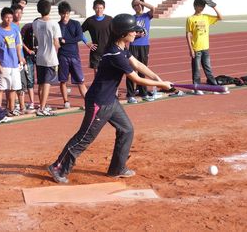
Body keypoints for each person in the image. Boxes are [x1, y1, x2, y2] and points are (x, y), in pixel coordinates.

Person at [47, 14, 172, 183]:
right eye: (132, 31)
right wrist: (162, 85)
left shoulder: (121, 49)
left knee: (126, 129)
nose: (135, 33)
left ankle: (117, 168)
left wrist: (158, 79)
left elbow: (138, 65)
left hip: (110, 101)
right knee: (85, 138)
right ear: (122, 34)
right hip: (98, 102)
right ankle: (58, 167)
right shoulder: (115, 55)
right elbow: (136, 78)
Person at [186, 0, 223, 94]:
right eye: (200, 5)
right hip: (196, 49)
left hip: (205, 48)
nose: (202, 7)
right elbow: (188, 34)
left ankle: (214, 87)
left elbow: (220, 17)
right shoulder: (190, 19)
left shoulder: (206, 17)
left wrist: (214, 6)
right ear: (195, 6)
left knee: (208, 69)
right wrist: (191, 49)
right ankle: (197, 88)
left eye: (203, 6)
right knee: (196, 71)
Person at [0, 7, 24, 117]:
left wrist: (20, 59)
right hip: (4, 63)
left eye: (10, 17)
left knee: (13, 88)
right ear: (2, 18)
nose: (9, 20)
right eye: (6, 17)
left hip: (14, 64)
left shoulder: (15, 30)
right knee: (1, 88)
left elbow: (18, 46)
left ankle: (11, 109)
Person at [57, 1, 88, 109]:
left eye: (67, 13)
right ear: (59, 14)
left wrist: (66, 41)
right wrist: (62, 41)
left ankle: (87, 101)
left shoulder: (75, 24)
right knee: (63, 80)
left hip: (74, 55)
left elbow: (79, 37)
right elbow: (57, 40)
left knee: (80, 80)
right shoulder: (57, 25)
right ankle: (66, 102)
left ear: (69, 13)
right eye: (63, 13)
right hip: (62, 56)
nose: (65, 16)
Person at [32, 0, 61, 116]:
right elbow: (56, 42)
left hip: (40, 55)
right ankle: (42, 107)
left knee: (41, 82)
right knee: (47, 83)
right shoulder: (54, 24)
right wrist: (61, 44)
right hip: (51, 56)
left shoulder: (35, 23)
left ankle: (41, 105)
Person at [126, 0, 156, 104]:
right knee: (131, 70)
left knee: (142, 70)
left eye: (138, 4)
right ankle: (130, 94)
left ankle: (143, 92)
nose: (137, 6)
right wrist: (137, 35)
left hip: (144, 46)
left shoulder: (147, 16)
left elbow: (153, 8)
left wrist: (141, 2)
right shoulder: (132, 18)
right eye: (135, 5)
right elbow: (129, 33)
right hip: (134, 45)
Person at [81, 0, 112, 75]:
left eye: (101, 8)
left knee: (109, 72)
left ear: (104, 8)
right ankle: (98, 87)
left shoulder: (110, 19)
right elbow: (79, 32)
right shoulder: (89, 20)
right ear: (93, 8)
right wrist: (87, 42)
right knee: (97, 74)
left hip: (108, 50)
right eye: (97, 8)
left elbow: (116, 33)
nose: (99, 10)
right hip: (96, 51)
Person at [10, 2, 28, 114]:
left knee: (21, 84)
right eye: (17, 12)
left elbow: (19, 44)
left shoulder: (17, 26)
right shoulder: (11, 26)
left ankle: (20, 106)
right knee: (17, 84)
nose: (19, 15)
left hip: (19, 59)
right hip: (14, 60)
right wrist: (20, 57)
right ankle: (18, 106)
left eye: (21, 12)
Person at [20, 18, 37, 111]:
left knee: (42, 80)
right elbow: (20, 41)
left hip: (39, 55)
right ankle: (31, 102)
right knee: (29, 79)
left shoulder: (42, 29)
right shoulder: (26, 28)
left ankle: (40, 103)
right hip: (28, 56)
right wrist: (27, 50)